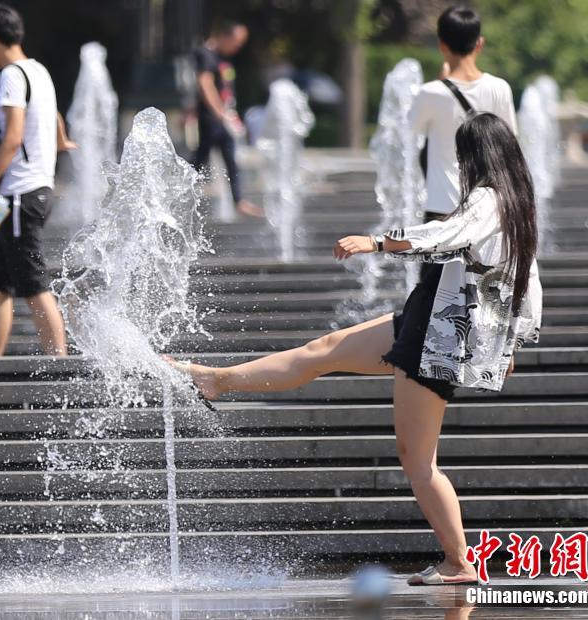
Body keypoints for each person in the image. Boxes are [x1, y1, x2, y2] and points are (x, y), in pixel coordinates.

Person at [167, 112, 543, 586]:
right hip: (429, 315)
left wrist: (377, 242)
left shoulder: (489, 200)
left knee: (418, 461)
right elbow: (528, 286)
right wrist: (512, 344)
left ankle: (459, 562)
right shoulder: (514, 204)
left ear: (476, 155)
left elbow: (448, 237)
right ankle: (216, 380)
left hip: (439, 335)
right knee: (324, 350)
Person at [0, 3, 68, 357]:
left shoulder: (11, 76)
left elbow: (12, 137)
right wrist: (60, 141)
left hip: (19, 195)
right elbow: (54, 116)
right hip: (33, 190)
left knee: (33, 285)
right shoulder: (38, 71)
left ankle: (59, 365)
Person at [411, 6, 518, 224]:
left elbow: (411, 133)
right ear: (480, 43)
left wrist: (441, 82)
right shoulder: (500, 88)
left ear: (442, 45)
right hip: (486, 208)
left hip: (442, 207)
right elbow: (510, 145)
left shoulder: (430, 92)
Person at [190, 21, 263, 218]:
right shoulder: (206, 54)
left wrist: (229, 113)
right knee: (201, 159)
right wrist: (219, 112)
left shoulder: (219, 57)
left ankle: (238, 201)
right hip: (212, 118)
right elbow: (204, 83)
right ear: (224, 36)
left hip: (221, 116)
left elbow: (222, 88)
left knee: (226, 157)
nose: (238, 47)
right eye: (236, 42)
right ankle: (177, 192)